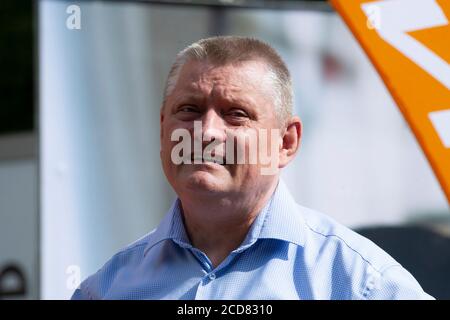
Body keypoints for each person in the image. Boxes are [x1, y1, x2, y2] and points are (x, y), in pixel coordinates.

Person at [71, 36, 433, 300]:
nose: (207, 132)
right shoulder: (106, 289)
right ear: (163, 127)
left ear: (286, 142)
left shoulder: (361, 284)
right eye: (190, 110)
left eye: (236, 114)